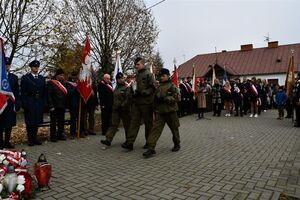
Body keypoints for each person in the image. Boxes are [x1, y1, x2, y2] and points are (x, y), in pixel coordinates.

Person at [143, 68, 180, 158]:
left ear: (168, 76)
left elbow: (176, 98)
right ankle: (151, 148)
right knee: (155, 130)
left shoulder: (172, 86)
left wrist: (165, 98)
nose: (162, 77)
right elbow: (155, 99)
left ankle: (177, 144)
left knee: (174, 129)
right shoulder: (159, 87)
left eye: (163, 76)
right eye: (161, 76)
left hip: (171, 112)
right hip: (160, 112)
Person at [122, 57, 155, 150]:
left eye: (138, 64)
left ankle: (149, 142)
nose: (136, 66)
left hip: (146, 103)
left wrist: (144, 92)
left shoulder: (148, 74)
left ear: (143, 64)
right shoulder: (137, 75)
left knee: (148, 124)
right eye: (135, 65)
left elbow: (153, 88)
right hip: (136, 102)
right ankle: (130, 143)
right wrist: (133, 91)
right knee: (134, 123)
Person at [101, 72, 132, 146]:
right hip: (116, 109)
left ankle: (129, 141)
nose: (120, 80)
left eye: (122, 78)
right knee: (113, 125)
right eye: (119, 79)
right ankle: (108, 139)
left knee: (127, 126)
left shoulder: (127, 87)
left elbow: (128, 98)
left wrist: (123, 105)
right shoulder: (116, 88)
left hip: (124, 110)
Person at [20, 60, 46, 146]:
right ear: (31, 67)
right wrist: (24, 104)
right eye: (34, 67)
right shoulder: (25, 78)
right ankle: (30, 139)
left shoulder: (42, 78)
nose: (36, 68)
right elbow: (23, 93)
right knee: (30, 122)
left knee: (36, 121)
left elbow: (44, 92)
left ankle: (35, 138)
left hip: (39, 102)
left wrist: (43, 103)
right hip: (30, 102)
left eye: (37, 67)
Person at [0, 57, 20, 149]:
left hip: (10, 104)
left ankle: (7, 142)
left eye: (8, 65)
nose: (7, 66)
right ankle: (0, 143)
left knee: (9, 125)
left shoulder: (14, 77)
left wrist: (17, 104)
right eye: (5, 65)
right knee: (0, 124)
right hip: (1, 104)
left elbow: (16, 92)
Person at [47, 68, 68, 142]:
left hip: (62, 105)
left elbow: (66, 94)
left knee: (61, 121)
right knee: (53, 122)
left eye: (63, 75)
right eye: (61, 75)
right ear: (57, 75)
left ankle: (60, 134)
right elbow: (49, 95)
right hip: (54, 106)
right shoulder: (51, 83)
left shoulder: (64, 83)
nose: (62, 76)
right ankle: (53, 136)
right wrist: (51, 106)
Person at [82, 71, 99, 136]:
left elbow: (95, 96)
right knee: (84, 117)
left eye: (91, 76)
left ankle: (91, 129)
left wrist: (96, 104)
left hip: (92, 103)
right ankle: (85, 130)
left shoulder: (93, 85)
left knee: (91, 117)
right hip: (85, 103)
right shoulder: (84, 83)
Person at [66, 72, 80, 138]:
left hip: (79, 104)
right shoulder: (68, 83)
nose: (76, 77)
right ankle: (72, 133)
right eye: (74, 76)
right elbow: (69, 93)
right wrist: (75, 87)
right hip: (72, 104)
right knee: (73, 119)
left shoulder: (79, 82)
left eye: (76, 76)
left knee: (80, 119)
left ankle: (80, 131)